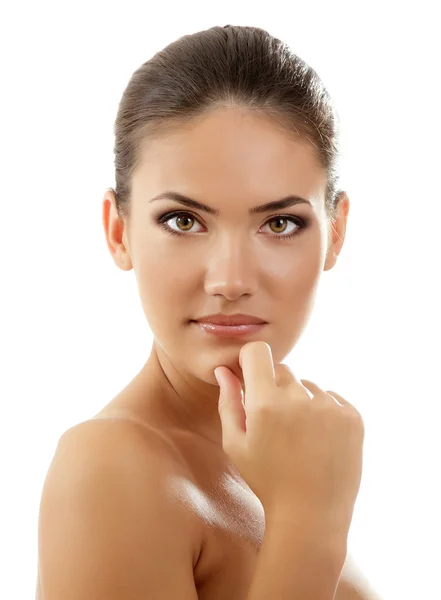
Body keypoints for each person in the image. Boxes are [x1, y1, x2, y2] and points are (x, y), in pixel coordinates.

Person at [36, 24, 383, 599]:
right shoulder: (108, 469)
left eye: (280, 223)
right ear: (118, 231)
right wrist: (309, 526)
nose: (230, 280)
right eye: (183, 220)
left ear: (336, 232)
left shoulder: (278, 455)